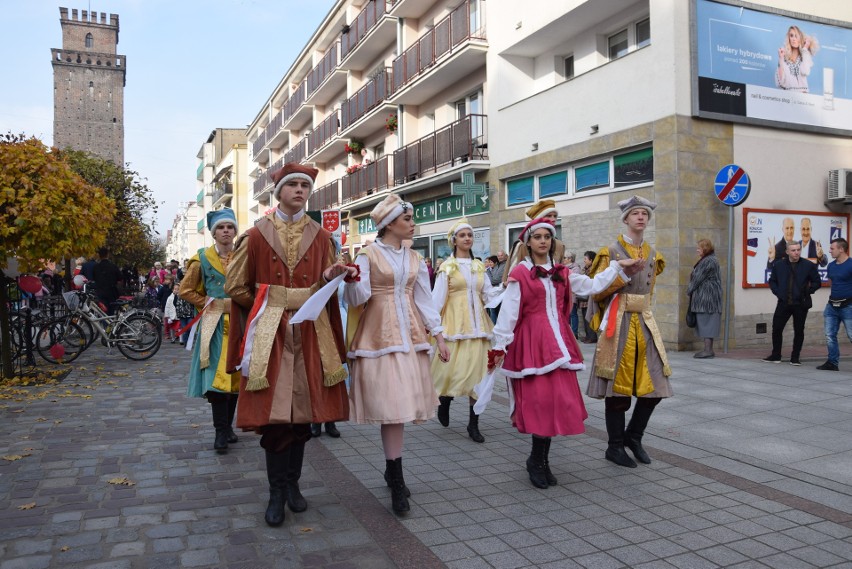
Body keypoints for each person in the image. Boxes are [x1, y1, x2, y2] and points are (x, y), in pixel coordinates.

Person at [225, 164, 350, 527]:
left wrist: (332, 277)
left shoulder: (323, 237)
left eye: (304, 185)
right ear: (277, 191)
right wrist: (268, 307)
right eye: (291, 184)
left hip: (311, 330)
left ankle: (293, 485)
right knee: (275, 417)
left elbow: (329, 285)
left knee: (303, 416)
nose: (299, 190)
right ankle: (276, 491)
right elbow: (235, 286)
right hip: (271, 334)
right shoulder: (255, 235)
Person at [489, 217, 635, 488]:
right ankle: (536, 459)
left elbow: (592, 286)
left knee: (555, 402)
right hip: (532, 344)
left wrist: (617, 267)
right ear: (528, 242)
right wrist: (499, 346)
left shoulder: (562, 272)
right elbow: (508, 313)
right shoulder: (520, 273)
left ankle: (541, 459)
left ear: (552, 241)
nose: (543, 240)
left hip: (559, 344)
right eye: (538, 236)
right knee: (540, 403)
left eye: (547, 236)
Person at [344, 193, 450, 514]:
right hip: (379, 337)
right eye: (408, 219)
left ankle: (393, 471)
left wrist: (440, 336)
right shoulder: (368, 255)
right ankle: (396, 477)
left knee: (402, 407)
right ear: (389, 224)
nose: (413, 224)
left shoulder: (414, 258)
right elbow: (357, 296)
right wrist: (350, 280)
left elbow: (424, 298)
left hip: (411, 336)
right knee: (392, 406)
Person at [586, 195, 672, 469]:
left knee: (656, 388)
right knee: (618, 389)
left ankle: (633, 437)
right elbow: (595, 292)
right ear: (625, 219)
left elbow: (649, 290)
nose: (640, 217)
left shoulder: (653, 253)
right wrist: (621, 275)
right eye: (635, 213)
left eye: (644, 213)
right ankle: (614, 447)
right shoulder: (610, 252)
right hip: (618, 322)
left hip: (644, 322)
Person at [432, 219, 501, 443]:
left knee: (479, 376)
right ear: (454, 240)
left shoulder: (478, 266)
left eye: (469, 235)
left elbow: (488, 295)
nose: (467, 239)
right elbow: (436, 300)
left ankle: (473, 425)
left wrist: (507, 288)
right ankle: (445, 400)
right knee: (451, 372)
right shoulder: (447, 268)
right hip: (454, 327)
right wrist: (436, 330)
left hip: (479, 328)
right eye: (462, 235)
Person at [180, 208, 241, 456]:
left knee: (236, 376)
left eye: (230, 227)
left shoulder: (245, 256)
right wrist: (206, 302)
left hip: (240, 321)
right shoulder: (202, 258)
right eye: (221, 228)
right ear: (214, 232)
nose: (226, 231)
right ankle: (220, 431)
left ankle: (228, 427)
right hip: (214, 325)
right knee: (217, 378)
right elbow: (185, 289)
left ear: (235, 231)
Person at [311, 251, 353, 439]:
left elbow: (346, 304)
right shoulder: (315, 271)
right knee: (317, 373)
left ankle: (331, 419)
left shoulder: (342, 277)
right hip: (315, 321)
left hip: (337, 321)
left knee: (335, 372)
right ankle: (315, 419)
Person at [763, 241, 821, 365]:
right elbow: (772, 281)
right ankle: (776, 355)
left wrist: (808, 291)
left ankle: (795, 357)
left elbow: (817, 282)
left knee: (799, 330)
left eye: (798, 250)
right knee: (777, 328)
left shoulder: (808, 265)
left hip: (800, 304)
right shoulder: (779, 265)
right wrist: (778, 293)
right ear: (787, 251)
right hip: (784, 302)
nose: (796, 252)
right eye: (793, 250)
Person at [503, 199, 566, 287]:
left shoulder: (559, 245)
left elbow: (562, 272)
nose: (553, 219)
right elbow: (511, 276)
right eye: (549, 216)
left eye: (555, 216)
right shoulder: (522, 245)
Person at [818, 238, 852, 371]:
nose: (829, 251)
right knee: (829, 335)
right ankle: (832, 363)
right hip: (832, 306)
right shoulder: (831, 265)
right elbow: (833, 283)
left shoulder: (850, 264)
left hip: (848, 306)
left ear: (841, 249)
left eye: (832, 248)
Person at [687, 239, 723, 359]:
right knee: (706, 322)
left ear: (705, 249)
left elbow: (697, 278)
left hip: (707, 299)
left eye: (699, 248)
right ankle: (707, 349)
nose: (697, 250)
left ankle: (708, 350)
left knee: (707, 322)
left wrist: (689, 290)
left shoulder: (708, 261)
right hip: (708, 298)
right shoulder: (710, 259)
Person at [776, 25, 818, 93]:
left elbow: (805, 71)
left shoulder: (804, 56)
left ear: (800, 38)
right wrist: (781, 58)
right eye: (791, 36)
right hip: (788, 99)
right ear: (789, 38)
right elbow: (780, 82)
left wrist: (805, 49)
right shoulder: (784, 58)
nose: (793, 39)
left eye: (796, 36)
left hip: (803, 99)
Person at [92, 247, 122, 315]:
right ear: (107, 255)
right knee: (112, 312)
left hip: (100, 293)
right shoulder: (113, 266)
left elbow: (94, 279)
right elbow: (120, 278)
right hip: (112, 293)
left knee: (103, 312)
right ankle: (111, 324)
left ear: (99, 256)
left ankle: (105, 325)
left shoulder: (96, 267)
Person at [578, 251, 598, 344]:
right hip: (583, 298)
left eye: (586, 259)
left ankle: (592, 337)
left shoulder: (593, 270)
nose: (584, 261)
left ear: (591, 260)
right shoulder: (585, 269)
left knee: (589, 317)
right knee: (585, 317)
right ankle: (587, 336)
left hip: (589, 298)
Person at [564, 252, 580, 336]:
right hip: (565, 295)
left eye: (565, 258)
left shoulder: (575, 268)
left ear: (570, 259)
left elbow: (573, 281)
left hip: (572, 294)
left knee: (573, 313)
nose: (563, 259)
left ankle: (574, 333)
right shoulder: (563, 268)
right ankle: (568, 332)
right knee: (567, 314)